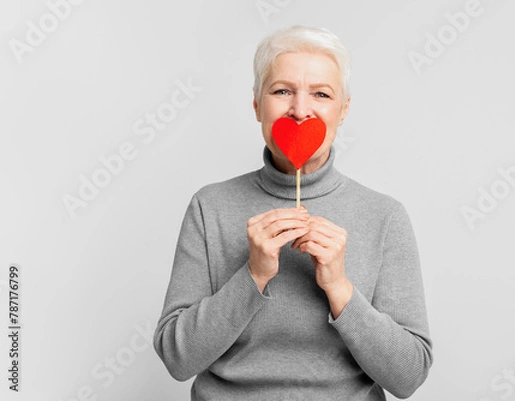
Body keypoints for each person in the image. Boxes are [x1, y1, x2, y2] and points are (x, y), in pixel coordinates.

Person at [153, 25, 433, 400]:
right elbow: (177, 359)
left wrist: (339, 287)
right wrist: (253, 274)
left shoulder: (385, 216)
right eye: (282, 91)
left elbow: (408, 377)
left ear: (344, 109)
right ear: (257, 105)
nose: (300, 110)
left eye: (321, 94)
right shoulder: (210, 207)